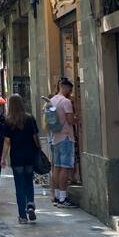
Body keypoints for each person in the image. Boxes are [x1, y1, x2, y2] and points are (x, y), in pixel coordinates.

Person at [1, 94, 41, 223]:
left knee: (19, 186)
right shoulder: (29, 118)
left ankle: (22, 216)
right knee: (29, 181)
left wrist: (3, 158)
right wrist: (38, 149)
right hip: (29, 155)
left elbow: (7, 141)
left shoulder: (9, 121)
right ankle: (30, 204)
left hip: (17, 157)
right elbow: (35, 136)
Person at [50, 77, 78, 207]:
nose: (70, 92)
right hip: (66, 137)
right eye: (69, 90)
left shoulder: (52, 100)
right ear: (65, 88)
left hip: (55, 137)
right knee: (65, 168)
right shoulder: (66, 102)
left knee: (57, 167)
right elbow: (70, 120)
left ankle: (56, 196)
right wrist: (78, 119)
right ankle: (63, 198)